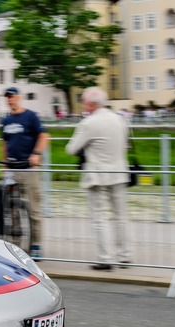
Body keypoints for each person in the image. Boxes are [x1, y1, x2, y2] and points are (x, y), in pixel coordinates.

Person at [65, 87, 132, 270]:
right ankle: (125, 256)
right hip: (119, 173)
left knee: (100, 218)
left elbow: (71, 149)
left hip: (98, 175)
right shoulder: (121, 119)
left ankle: (106, 258)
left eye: (84, 102)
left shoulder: (89, 123)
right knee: (121, 216)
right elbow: (126, 145)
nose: (83, 105)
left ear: (91, 104)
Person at [0, 86, 50, 258]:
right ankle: (15, 244)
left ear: (19, 98)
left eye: (12, 97)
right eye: (7, 97)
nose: (10, 100)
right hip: (12, 169)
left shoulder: (30, 116)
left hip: (28, 169)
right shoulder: (5, 121)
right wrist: (5, 164)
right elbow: (5, 143)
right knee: (12, 208)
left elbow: (44, 137)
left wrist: (36, 154)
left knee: (33, 208)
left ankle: (36, 245)